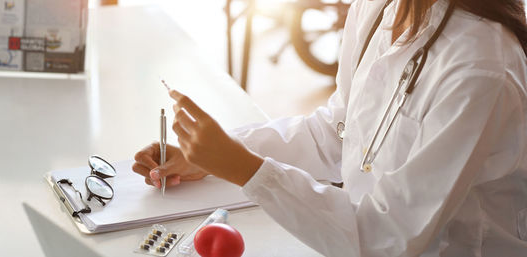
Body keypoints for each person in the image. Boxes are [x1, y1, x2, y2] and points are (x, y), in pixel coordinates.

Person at [132, 0, 527, 256]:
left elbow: (387, 238)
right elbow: (337, 133)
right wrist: (215, 155)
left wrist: (244, 168)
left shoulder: (480, 69)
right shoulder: (380, 8)